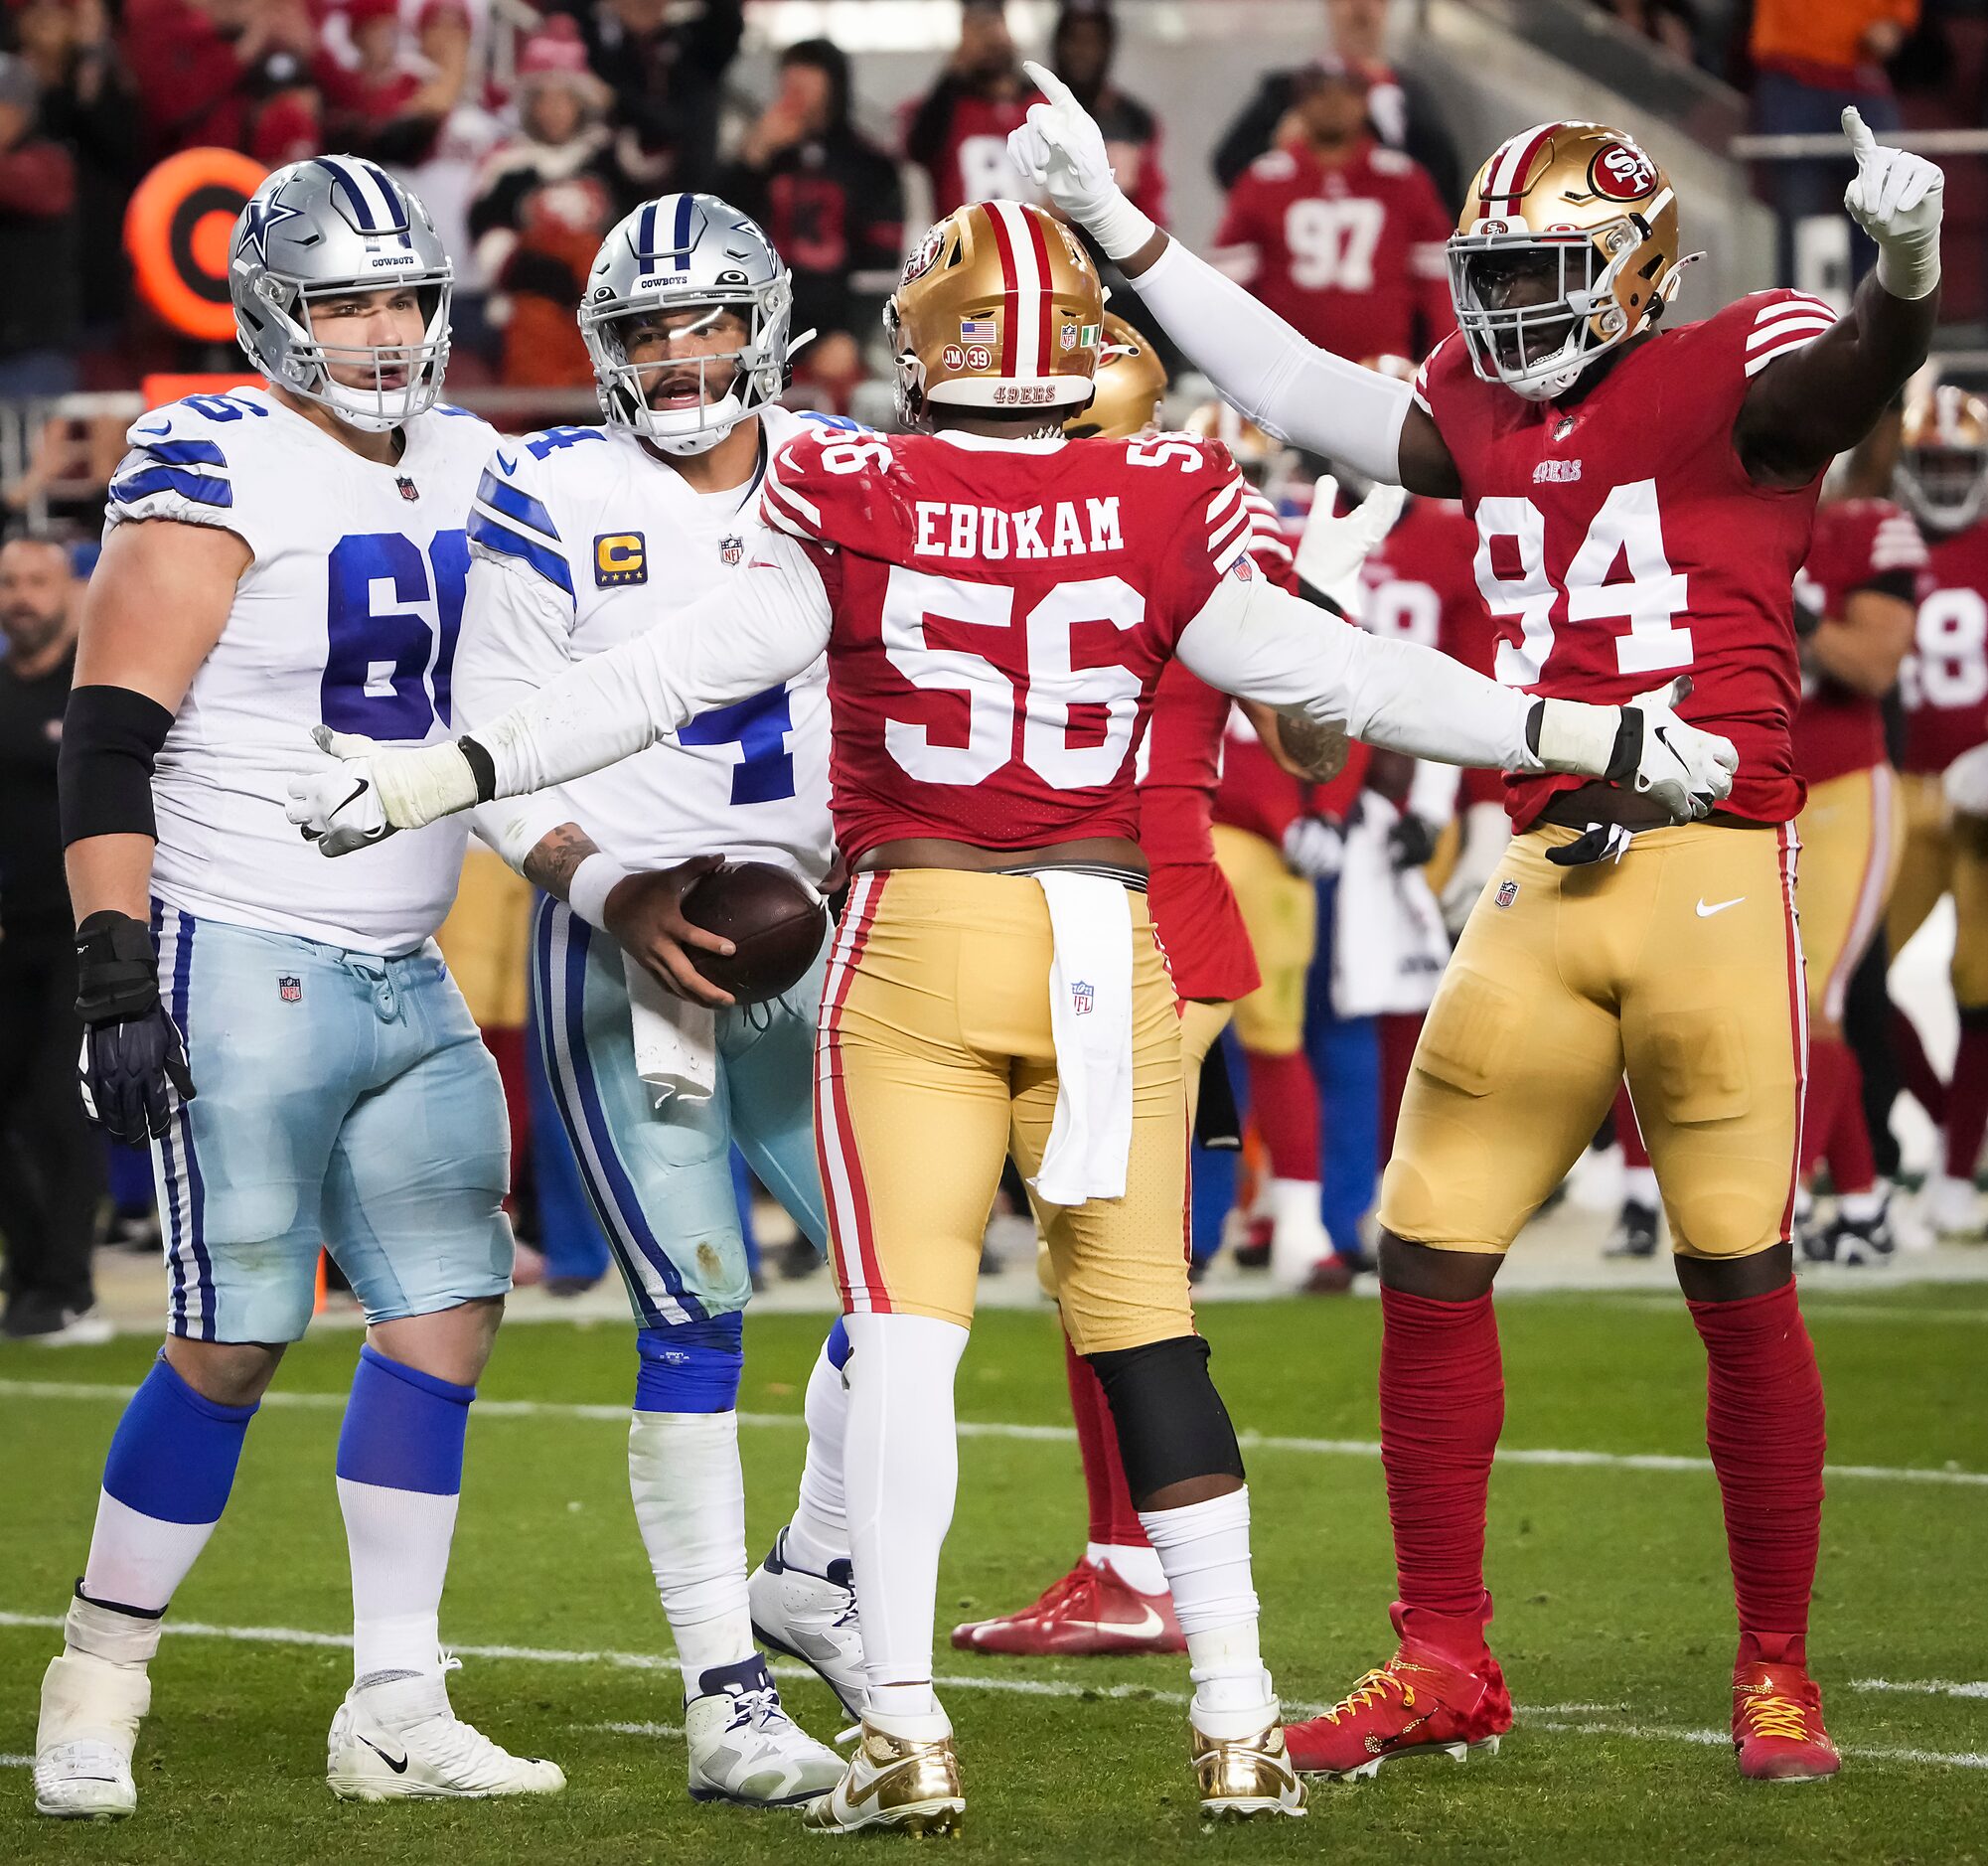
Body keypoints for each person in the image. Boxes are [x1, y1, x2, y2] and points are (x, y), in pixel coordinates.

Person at [291, 198, 1736, 1829]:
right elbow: (1355, 686)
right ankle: (1240, 1715)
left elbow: (649, 683)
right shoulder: (1165, 490)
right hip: (1109, 943)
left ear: (932, 343)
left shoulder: (852, 488)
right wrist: (1587, 729)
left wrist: (433, 771)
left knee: (904, 1336)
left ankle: (904, 1727)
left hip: (915, 927)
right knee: (1146, 1328)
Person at [1012, 68, 1943, 1783]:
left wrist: (1905, 280)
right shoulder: (1484, 405)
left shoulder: (1737, 362)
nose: (1507, 306)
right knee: (1426, 1250)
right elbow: (1291, 381)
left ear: (1642, 269)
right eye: (1492, 271)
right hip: (1540, 870)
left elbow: (1850, 374)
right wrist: (1121, 228)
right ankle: (1440, 1649)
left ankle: (1775, 1668)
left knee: (1737, 1273)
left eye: (1543, 272)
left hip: (1716, 864)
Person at [32, 155, 564, 1820]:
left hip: (409, 957)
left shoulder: (480, 458)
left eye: (404, 294)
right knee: (234, 1333)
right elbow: (108, 729)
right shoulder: (216, 457)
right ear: (272, 307)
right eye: (345, 296)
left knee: (444, 1313)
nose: (382, 326)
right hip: (238, 939)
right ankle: (98, 1671)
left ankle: (397, 1693)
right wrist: (115, 966)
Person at [450, 190, 853, 1806]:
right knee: (696, 1313)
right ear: (602, 350)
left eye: (705, 325)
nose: (680, 359)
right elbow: (486, 740)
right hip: (643, 960)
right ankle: (726, 1694)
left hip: (826, 949)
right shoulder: (551, 490)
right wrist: (609, 886)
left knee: (909, 1290)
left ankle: (816, 1566)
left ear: (763, 325)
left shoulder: (843, 471)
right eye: (645, 333)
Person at [948, 315, 1312, 1657]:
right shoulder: (1148, 502)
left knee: (1114, 1264)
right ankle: (1125, 1562)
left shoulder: (1195, 514)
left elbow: (1311, 741)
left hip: (1147, 912)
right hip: (1080, 907)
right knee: (1095, 1258)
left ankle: (1140, 1570)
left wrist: (1314, 610)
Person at [1788, 494, 1920, 1261]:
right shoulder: (1707, 497)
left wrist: (1792, 610)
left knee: (1815, 1000)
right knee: (1789, 1006)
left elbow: (1871, 666)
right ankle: (1865, 1207)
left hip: (1842, 789)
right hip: (1754, 787)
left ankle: (1793, 1193)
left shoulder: (1865, 524)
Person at [0, 534, 108, 1344]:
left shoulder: (97, 685)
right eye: (8, 583)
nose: (21, 597)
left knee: (57, 1107)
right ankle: (26, 1282)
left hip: (81, 933)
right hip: (8, 939)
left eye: (37, 580)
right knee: (8, 1112)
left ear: (70, 590)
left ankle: (68, 1289)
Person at [1888, 385, 1988, 1236]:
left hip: (1981, 801)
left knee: (1979, 982)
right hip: (1895, 787)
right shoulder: (1882, 534)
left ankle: (1957, 1165)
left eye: (1961, 464)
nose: (1947, 479)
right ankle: (1961, 1121)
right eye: (1934, 463)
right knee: (1841, 987)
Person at [1211, 57, 1453, 364]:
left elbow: (1440, 285)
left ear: (1366, 101)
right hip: (1286, 368)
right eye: (1319, 93)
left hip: (1383, 370)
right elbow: (1227, 289)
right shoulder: (1263, 181)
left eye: (1347, 92)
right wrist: (1232, 362)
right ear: (1298, 104)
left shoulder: (1404, 180)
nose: (1333, 103)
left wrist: (1443, 364)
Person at [715, 39, 904, 405]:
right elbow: (717, 228)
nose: (796, 82)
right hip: (756, 325)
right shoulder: (762, 155)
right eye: (790, 69)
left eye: (810, 70)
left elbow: (880, 262)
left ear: (834, 82)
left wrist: (852, 334)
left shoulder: (870, 165)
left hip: (834, 330)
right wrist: (753, 155)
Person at [1212, 0, 1461, 213]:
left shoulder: (1411, 98)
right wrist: (1276, 149)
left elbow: (1445, 184)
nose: (1361, 9)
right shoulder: (1285, 92)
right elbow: (1230, 166)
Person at [902, 0, 1031, 215]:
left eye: (993, 24)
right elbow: (918, 149)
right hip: (966, 243)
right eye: (977, 27)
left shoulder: (1038, 100)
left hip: (1038, 241)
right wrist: (955, 69)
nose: (987, 39)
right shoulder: (946, 107)